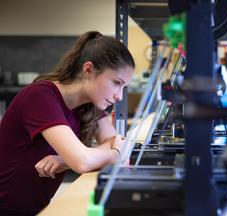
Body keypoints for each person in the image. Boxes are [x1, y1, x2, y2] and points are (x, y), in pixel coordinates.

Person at [0, 31, 135, 215]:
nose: (119, 96)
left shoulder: (89, 106)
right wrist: (114, 154)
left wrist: (65, 161)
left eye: (123, 87)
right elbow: (85, 161)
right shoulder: (41, 95)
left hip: (34, 209)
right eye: (116, 83)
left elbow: (117, 142)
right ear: (88, 70)